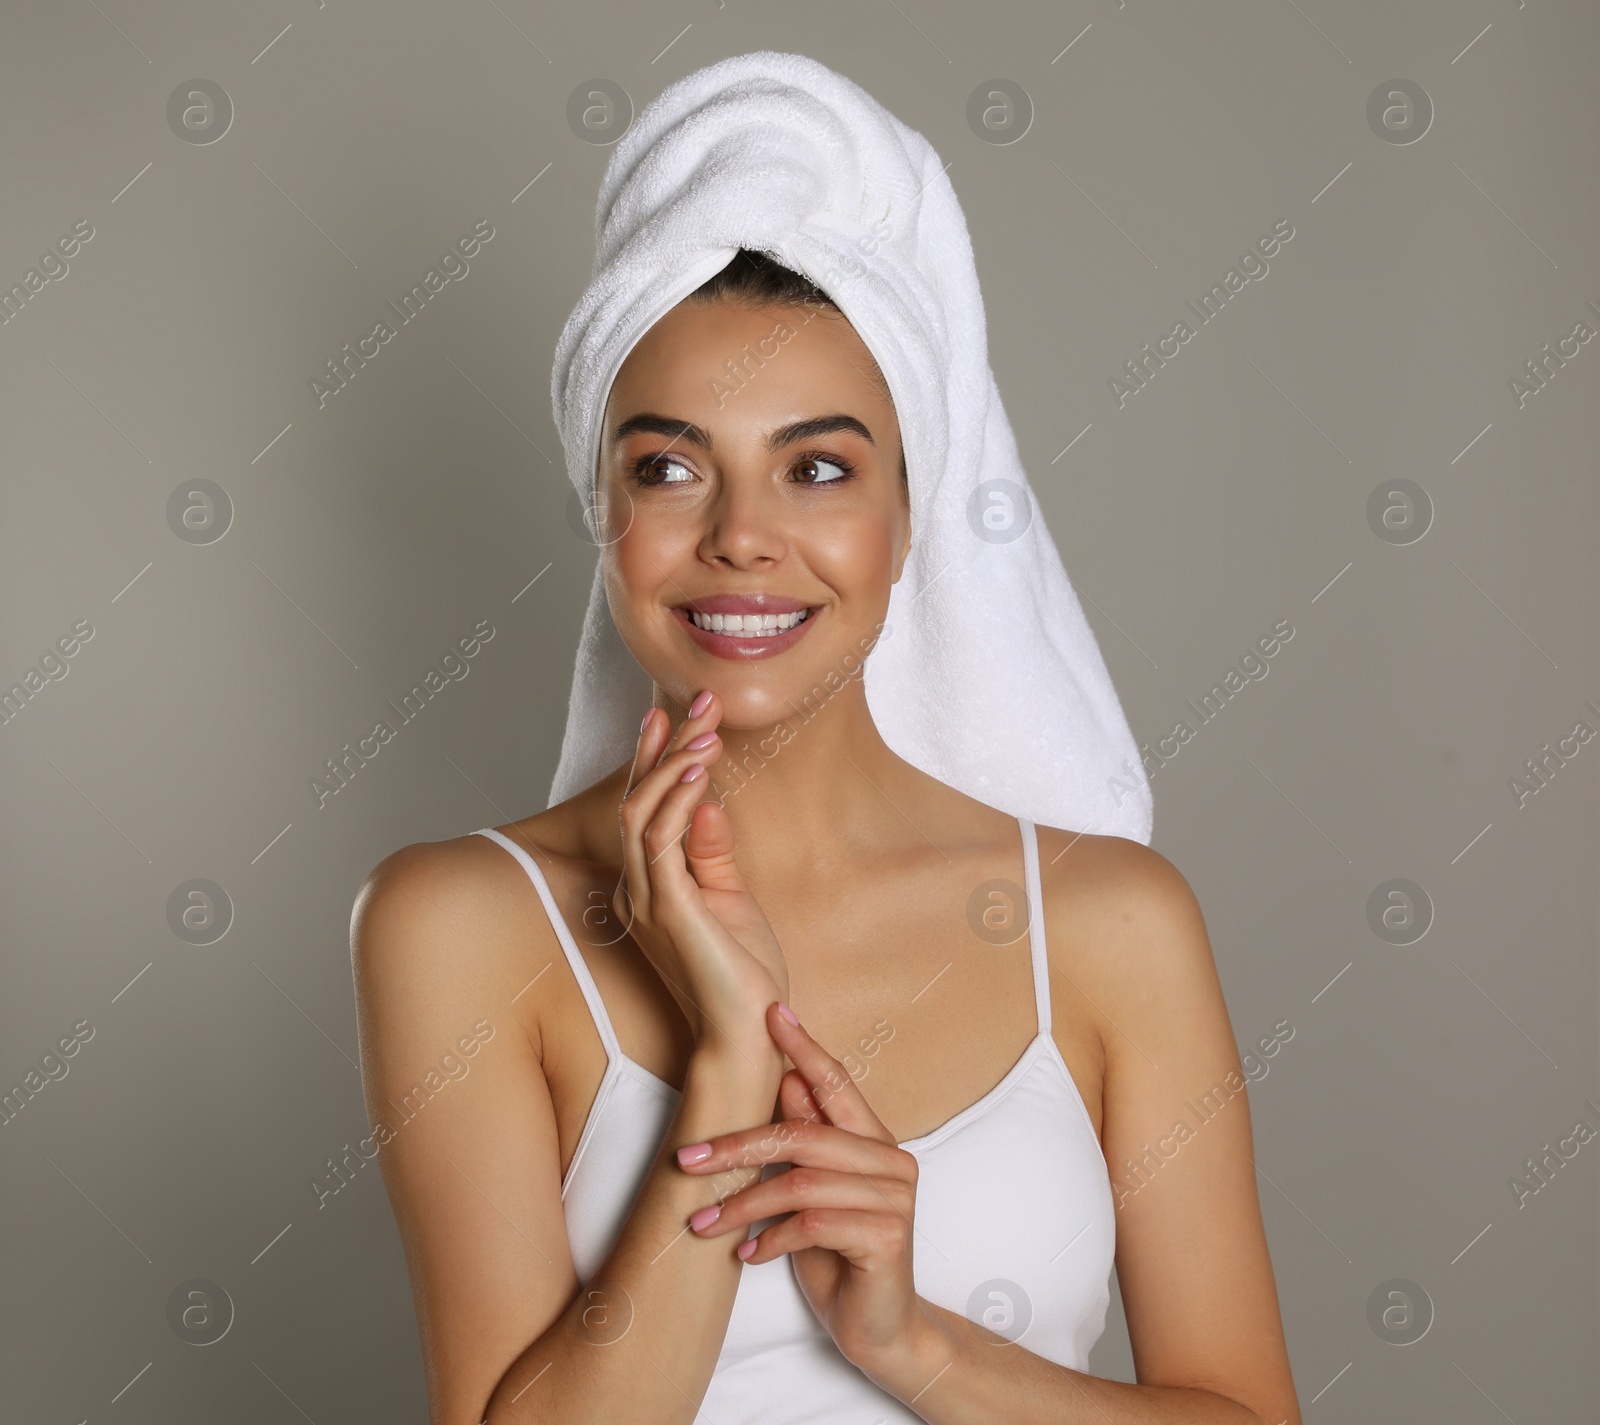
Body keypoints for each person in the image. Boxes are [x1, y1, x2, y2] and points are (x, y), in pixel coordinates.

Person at [352, 54, 1300, 1425]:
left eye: (819, 466)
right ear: (601, 511)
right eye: (668, 468)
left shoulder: (1110, 924)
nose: (741, 535)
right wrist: (727, 1065)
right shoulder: (460, 924)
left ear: (912, 514)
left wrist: (912, 1340)